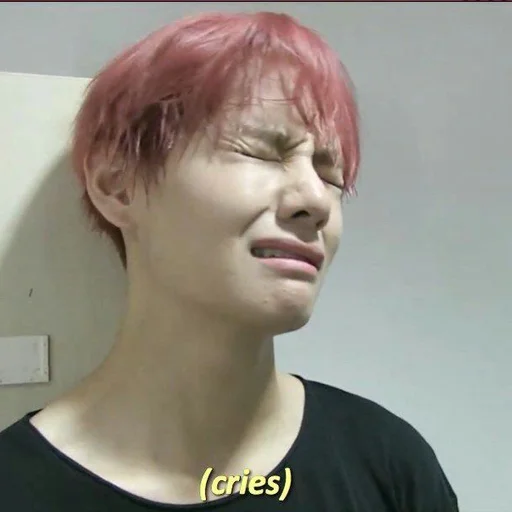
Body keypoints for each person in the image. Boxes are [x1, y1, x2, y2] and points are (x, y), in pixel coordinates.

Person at [0, 11, 459, 511]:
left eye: (330, 173)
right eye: (261, 152)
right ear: (118, 185)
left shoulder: (388, 466)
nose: (316, 200)